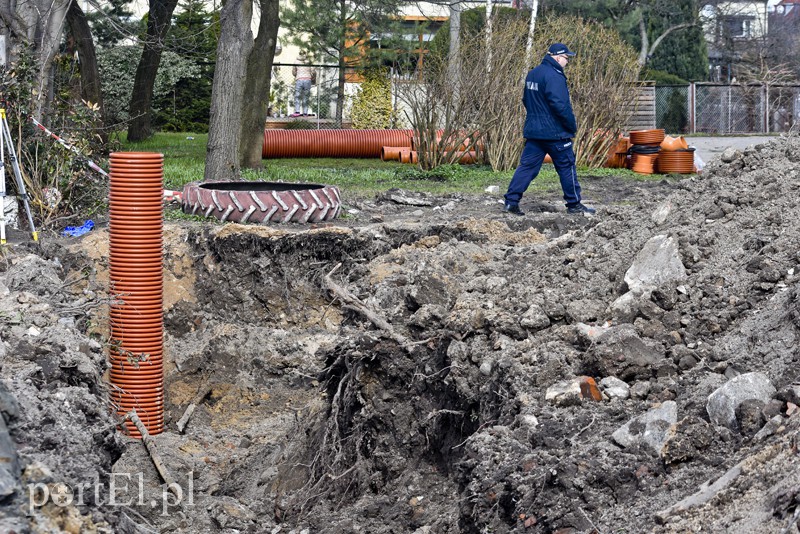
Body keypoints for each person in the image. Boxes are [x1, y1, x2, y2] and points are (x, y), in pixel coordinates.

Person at [504, 43, 595, 216]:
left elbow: (525, 100)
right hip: (555, 133)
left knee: (527, 167)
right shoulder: (555, 76)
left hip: (534, 131)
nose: (567, 61)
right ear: (558, 57)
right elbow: (560, 105)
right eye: (567, 58)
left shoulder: (533, 73)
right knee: (566, 167)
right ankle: (574, 204)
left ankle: (511, 202)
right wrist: (571, 126)